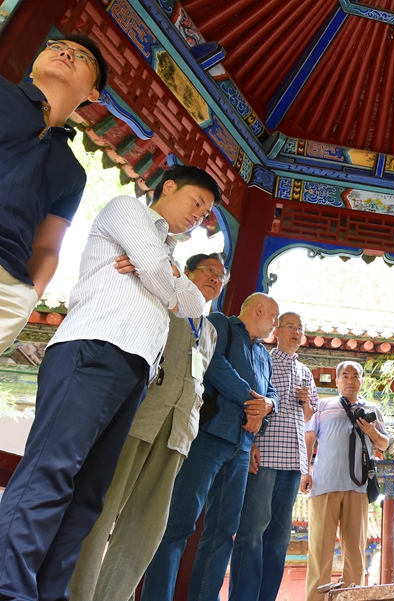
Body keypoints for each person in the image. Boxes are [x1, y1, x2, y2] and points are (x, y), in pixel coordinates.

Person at [0, 165, 219, 601]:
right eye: (197, 202)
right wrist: (160, 276)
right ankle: (9, 586)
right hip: (93, 349)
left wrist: (162, 274)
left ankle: (50, 593)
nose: (199, 216)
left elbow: (195, 304)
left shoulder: (167, 254)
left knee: (89, 494)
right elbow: (160, 275)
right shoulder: (128, 211)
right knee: (51, 470)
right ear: (168, 187)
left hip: (135, 370)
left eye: (206, 213)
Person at [68, 253, 227, 601]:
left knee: (147, 525)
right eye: (209, 271)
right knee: (102, 509)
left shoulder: (211, 331)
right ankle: (78, 594)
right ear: (186, 274)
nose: (216, 278)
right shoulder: (163, 303)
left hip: (178, 432)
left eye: (222, 276)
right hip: (141, 417)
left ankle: (112, 596)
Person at [143, 292, 280, 601]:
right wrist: (251, 401)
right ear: (259, 309)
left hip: (241, 449)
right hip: (209, 437)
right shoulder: (221, 324)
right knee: (179, 523)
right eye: (274, 317)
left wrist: (267, 406)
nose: (276, 324)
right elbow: (214, 365)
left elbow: (272, 394)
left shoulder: (264, 354)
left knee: (224, 531)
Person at [0, 36, 108, 353]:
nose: (65, 53)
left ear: (93, 93)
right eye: (56, 46)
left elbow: (47, 246)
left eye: (81, 56)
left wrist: (27, 297)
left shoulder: (74, 173)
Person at [229, 312, 318, 601]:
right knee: (252, 532)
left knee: (279, 539)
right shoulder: (264, 360)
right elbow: (251, 403)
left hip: (293, 460)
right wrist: (251, 444)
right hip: (265, 455)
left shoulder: (305, 373)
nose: (295, 332)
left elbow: (308, 416)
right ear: (276, 331)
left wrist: (305, 401)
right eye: (290, 326)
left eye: (300, 328)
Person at [304, 361, 389, 601]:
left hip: (358, 487)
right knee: (319, 551)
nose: (350, 380)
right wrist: (305, 471)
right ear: (337, 380)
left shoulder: (372, 409)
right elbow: (309, 438)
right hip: (324, 485)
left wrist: (371, 431)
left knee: (355, 553)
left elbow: (384, 444)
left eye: (355, 376)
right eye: (345, 375)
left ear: (361, 380)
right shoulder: (322, 406)